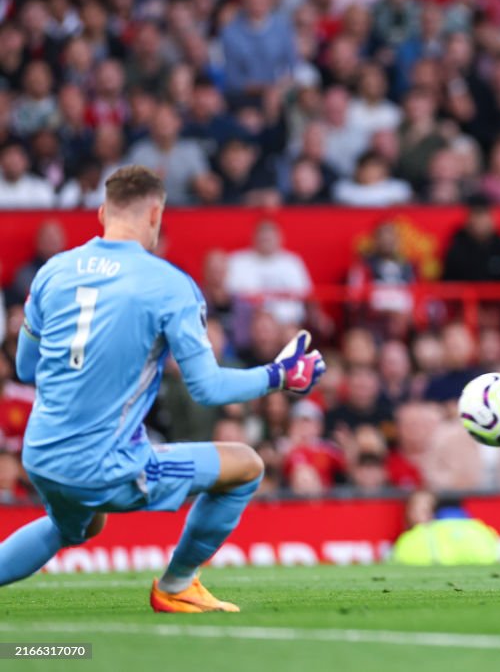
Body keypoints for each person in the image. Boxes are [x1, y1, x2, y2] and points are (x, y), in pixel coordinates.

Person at [0, 166, 326, 612]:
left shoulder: (52, 272)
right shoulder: (171, 286)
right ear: (156, 214)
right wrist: (279, 375)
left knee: (75, 527)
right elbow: (208, 387)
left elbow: (25, 367)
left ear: (101, 213)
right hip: (105, 466)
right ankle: (177, 585)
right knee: (245, 466)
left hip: (41, 456)